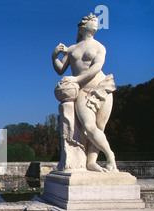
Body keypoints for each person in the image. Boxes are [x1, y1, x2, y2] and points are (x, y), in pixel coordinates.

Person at [52, 13, 117, 172]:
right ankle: (110, 155)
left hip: (102, 87)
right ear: (83, 27)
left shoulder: (99, 46)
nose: (96, 24)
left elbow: (96, 68)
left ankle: (92, 161)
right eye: (93, 21)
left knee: (100, 127)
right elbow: (60, 69)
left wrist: (76, 79)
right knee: (89, 127)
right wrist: (54, 56)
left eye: (97, 22)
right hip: (82, 91)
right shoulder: (72, 49)